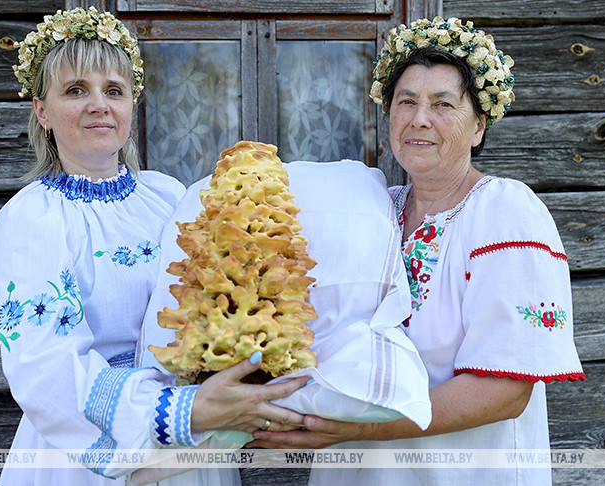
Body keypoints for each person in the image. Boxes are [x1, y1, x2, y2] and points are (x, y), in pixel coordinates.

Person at [250, 17, 585, 485]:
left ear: (478, 127)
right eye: (406, 101)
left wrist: (359, 427)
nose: (419, 118)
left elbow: (507, 390)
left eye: (443, 104)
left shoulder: (504, 212)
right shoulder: (370, 210)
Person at [0, 8, 306, 485]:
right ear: (42, 110)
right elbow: (43, 363)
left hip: (192, 443)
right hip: (87, 454)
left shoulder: (167, 196)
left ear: (132, 106)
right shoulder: (32, 217)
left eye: (113, 91)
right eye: (76, 90)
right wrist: (179, 411)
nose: (99, 104)